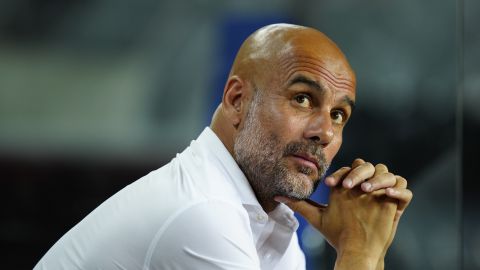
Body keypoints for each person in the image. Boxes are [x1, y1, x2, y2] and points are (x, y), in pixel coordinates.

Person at [34, 23, 412, 270]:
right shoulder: (203, 214)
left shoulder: (267, 223)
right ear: (236, 100)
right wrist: (359, 249)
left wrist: (368, 245)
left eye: (338, 115)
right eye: (302, 99)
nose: (324, 132)